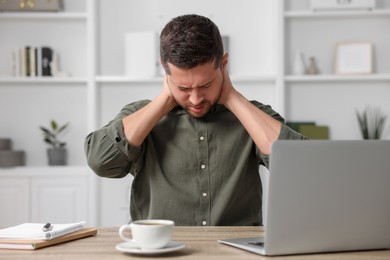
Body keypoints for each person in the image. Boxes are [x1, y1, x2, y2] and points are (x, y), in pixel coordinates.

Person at [85, 14, 308, 226]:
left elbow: (303, 170)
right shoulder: (140, 115)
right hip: (159, 251)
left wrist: (231, 97)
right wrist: (164, 101)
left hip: (236, 251)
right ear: (165, 71)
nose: (195, 98)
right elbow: (101, 163)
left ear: (224, 64)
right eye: (183, 87)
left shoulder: (253, 116)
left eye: (205, 85)